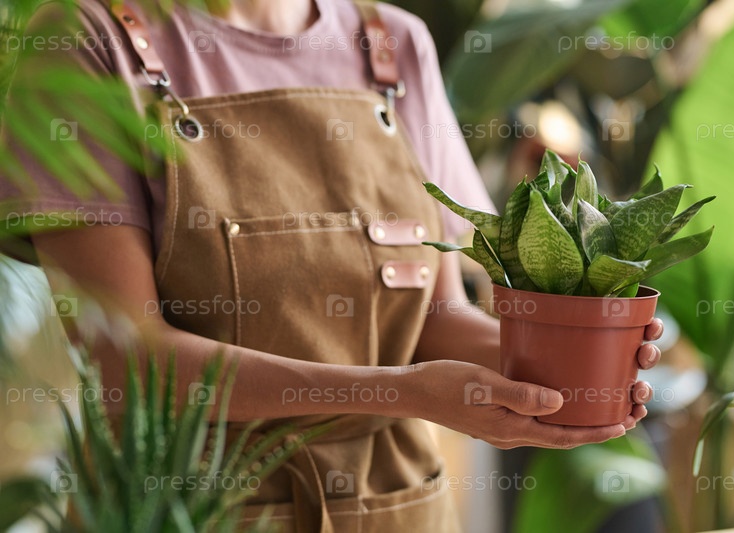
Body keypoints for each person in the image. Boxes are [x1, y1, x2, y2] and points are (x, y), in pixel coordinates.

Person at [0, 0, 662, 530]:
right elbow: (125, 358)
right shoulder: (87, 38)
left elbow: (435, 318)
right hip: (190, 511)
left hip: (398, 508)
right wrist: (400, 392)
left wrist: (566, 370)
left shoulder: (393, 43)